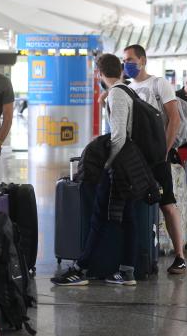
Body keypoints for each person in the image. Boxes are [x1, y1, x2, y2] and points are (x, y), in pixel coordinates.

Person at [50, 53, 139, 286]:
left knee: (99, 215)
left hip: (119, 167)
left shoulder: (118, 94)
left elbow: (119, 135)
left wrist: (107, 165)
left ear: (99, 73)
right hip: (130, 165)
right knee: (127, 217)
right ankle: (127, 270)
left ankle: (81, 268)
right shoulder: (126, 91)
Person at [121, 44, 187, 275]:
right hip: (133, 157)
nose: (126, 64)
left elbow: (174, 119)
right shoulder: (125, 88)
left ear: (143, 60)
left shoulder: (159, 84)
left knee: (167, 204)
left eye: (130, 59)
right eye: (124, 60)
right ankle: (137, 253)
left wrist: (164, 151)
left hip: (156, 157)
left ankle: (179, 256)